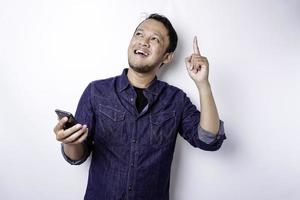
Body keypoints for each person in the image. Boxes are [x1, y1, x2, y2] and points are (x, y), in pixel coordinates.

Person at [53, 13, 226, 200]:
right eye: (139, 34)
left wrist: (203, 84)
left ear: (167, 57)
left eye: (154, 39)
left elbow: (209, 140)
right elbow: (78, 156)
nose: (144, 42)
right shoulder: (96, 92)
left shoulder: (176, 100)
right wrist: (70, 142)